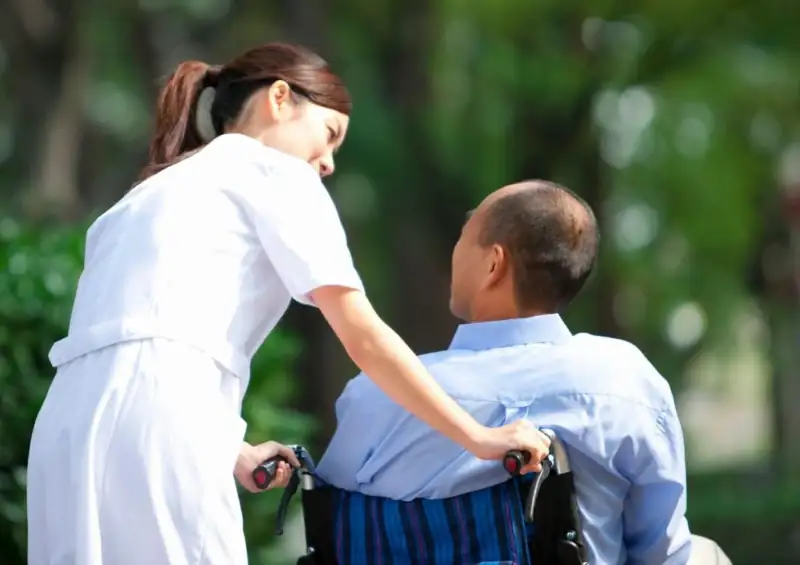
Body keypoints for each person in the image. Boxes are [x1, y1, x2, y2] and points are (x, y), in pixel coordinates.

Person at [25, 43, 552, 565]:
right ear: (280, 98)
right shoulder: (274, 171)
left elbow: (137, 347)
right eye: (328, 136)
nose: (325, 164)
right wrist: (479, 436)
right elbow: (361, 334)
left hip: (65, 431)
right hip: (161, 422)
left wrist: (235, 452)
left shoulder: (138, 199)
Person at [317, 180, 693, 564]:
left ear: (494, 264)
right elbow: (661, 551)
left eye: (464, 236)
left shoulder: (374, 393)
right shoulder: (624, 379)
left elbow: (334, 527)